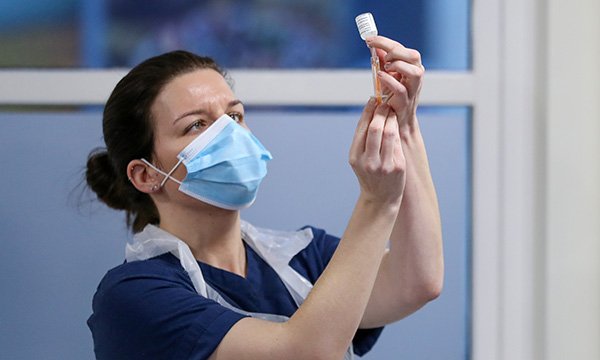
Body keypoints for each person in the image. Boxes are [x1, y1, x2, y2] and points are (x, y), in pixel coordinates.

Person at [86, 35, 443, 360]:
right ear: (146, 175)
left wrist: (406, 123)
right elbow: (305, 353)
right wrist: (377, 203)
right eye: (196, 125)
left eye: (233, 115)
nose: (229, 133)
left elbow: (417, 281)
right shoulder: (134, 297)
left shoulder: (305, 259)